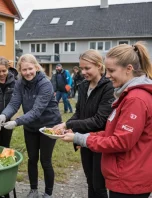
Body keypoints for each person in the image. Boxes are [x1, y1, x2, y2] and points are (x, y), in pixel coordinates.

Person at [62, 42, 152, 198]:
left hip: (129, 180)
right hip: (126, 176)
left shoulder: (135, 99)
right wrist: (83, 137)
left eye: (111, 70)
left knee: (98, 187)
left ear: (129, 69)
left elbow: (121, 141)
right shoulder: (128, 95)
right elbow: (113, 131)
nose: (108, 75)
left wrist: (80, 138)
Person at [0, 54, 62, 198]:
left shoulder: (45, 84)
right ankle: (33, 190)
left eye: (30, 69)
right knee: (32, 158)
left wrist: (16, 122)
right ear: (20, 71)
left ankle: (48, 193)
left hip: (48, 125)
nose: (27, 72)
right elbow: (14, 103)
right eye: (24, 70)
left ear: (36, 67)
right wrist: (4, 115)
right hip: (30, 126)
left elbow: (36, 111)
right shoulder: (20, 83)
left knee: (45, 161)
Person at [53, 50, 114, 198]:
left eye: (87, 68)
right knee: (90, 182)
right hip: (84, 140)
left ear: (99, 66)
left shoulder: (108, 87)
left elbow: (100, 120)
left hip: (100, 141)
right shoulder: (83, 85)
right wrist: (66, 125)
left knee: (99, 186)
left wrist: (69, 126)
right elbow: (79, 112)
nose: (83, 72)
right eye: (81, 68)